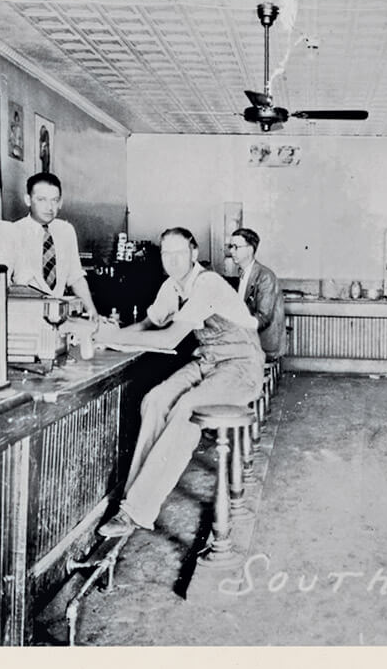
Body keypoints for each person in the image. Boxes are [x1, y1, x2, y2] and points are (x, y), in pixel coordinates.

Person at [93, 227, 264, 537]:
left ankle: (136, 510)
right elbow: (147, 325)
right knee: (155, 400)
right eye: (165, 253)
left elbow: (171, 336)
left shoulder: (207, 283)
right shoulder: (171, 287)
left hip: (241, 365)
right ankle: (131, 499)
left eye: (179, 252)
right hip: (208, 361)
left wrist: (112, 336)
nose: (171, 260)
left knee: (186, 408)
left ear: (194, 253)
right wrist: (103, 339)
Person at [10, 172, 100, 319]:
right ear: (28, 200)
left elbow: (76, 278)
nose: (49, 207)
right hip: (25, 317)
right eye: (41, 200)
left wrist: (93, 314)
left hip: (59, 317)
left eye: (54, 200)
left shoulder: (66, 230)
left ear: (61, 202)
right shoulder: (13, 232)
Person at [228, 227, 286, 361]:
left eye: (236, 247)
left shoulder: (265, 276)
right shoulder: (243, 274)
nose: (231, 251)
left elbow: (263, 318)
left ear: (250, 249)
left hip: (263, 344)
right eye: (230, 246)